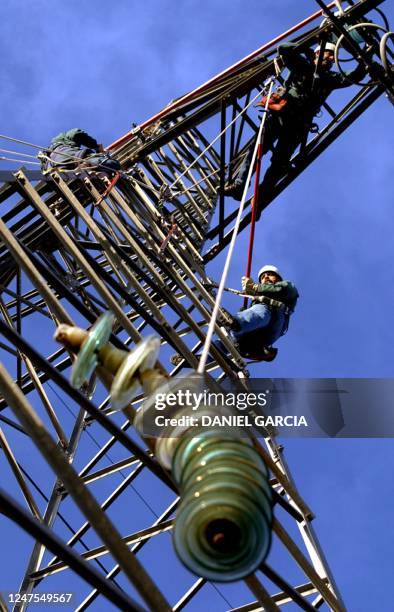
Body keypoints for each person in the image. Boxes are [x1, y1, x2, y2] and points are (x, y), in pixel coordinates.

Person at [224, 40, 368, 208]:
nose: (331, 60)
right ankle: (240, 186)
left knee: (279, 164)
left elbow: (354, 76)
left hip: (297, 125)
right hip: (281, 114)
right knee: (256, 149)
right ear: (318, 54)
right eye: (328, 55)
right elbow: (283, 49)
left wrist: (366, 55)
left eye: (332, 58)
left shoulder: (329, 79)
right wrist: (306, 49)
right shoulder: (303, 66)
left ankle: (260, 199)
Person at [229, 265, 299, 360]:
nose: (266, 277)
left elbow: (280, 290)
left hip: (274, 322)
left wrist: (255, 287)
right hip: (256, 334)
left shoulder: (287, 286)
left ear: (278, 278)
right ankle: (206, 356)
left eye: (270, 275)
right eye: (263, 277)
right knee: (227, 338)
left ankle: (236, 323)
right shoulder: (256, 300)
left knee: (262, 311)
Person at [44, 128, 122, 175]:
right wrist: (96, 146)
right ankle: (85, 166)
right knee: (113, 164)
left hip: (54, 168)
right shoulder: (64, 138)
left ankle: (83, 168)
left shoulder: (47, 157)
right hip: (66, 156)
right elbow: (77, 133)